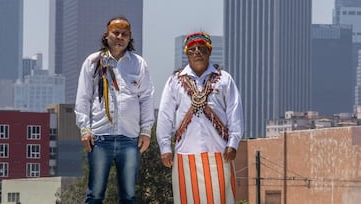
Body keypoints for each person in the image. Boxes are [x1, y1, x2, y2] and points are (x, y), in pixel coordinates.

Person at [156, 31, 244, 204]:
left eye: (202, 48)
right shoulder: (175, 80)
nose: (197, 52)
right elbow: (165, 115)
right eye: (192, 49)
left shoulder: (224, 79)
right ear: (187, 54)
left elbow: (235, 112)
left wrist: (233, 143)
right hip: (185, 154)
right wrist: (165, 147)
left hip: (219, 153)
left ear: (209, 52)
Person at [74, 16, 154, 204]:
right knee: (95, 194)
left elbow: (147, 98)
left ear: (129, 38)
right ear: (106, 35)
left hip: (130, 138)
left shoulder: (139, 64)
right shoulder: (93, 62)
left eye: (124, 34)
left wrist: (146, 131)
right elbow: (83, 98)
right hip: (100, 137)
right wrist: (85, 129)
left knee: (129, 196)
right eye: (115, 33)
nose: (120, 37)